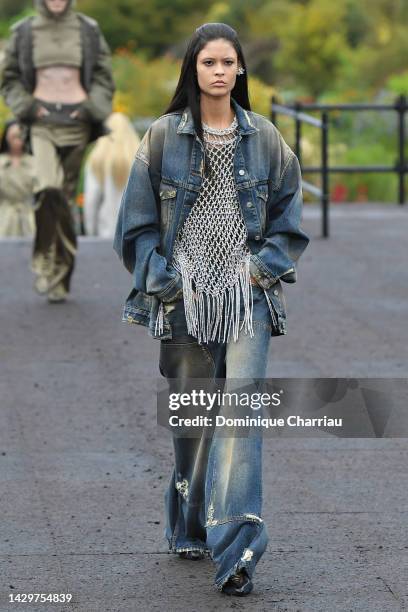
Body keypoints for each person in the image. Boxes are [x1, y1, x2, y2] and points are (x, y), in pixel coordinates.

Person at [114, 23, 309, 596]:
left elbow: (288, 217)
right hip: (183, 299)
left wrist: (259, 269)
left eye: (228, 62)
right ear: (193, 71)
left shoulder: (266, 138)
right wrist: (164, 280)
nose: (219, 71)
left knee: (240, 420)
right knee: (196, 424)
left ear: (241, 70)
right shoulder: (162, 138)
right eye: (208, 63)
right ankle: (190, 523)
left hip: (246, 295)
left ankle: (239, 549)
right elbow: (136, 225)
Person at [0, 0, 115, 302]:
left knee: (63, 199)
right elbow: (9, 77)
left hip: (77, 121)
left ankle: (61, 274)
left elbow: (104, 75)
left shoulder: (87, 29)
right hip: (41, 121)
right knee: (47, 187)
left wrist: (91, 109)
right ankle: (44, 259)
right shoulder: (24, 31)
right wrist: (26, 107)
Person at [83, 112, 140, 238]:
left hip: (105, 234)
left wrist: (91, 232)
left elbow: (91, 201)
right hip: (135, 234)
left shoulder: (96, 160)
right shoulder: (141, 160)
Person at [0, 120, 36, 237]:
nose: (17, 140)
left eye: (20, 136)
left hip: (29, 216)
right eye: (13, 136)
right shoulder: (1, 162)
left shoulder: (34, 162)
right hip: (4, 216)